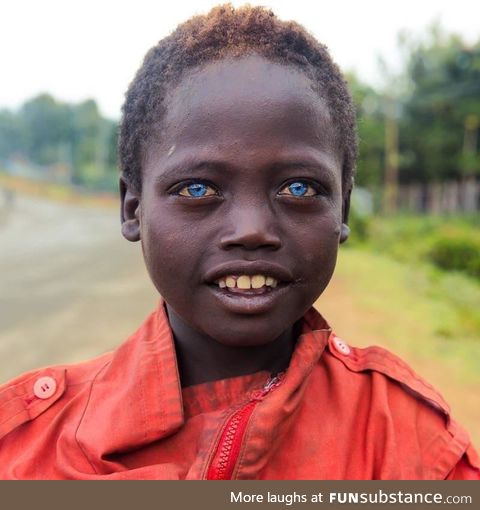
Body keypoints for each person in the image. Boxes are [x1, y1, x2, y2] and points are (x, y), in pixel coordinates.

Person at [0, 4, 478, 480]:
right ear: (133, 208)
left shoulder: (410, 447)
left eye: (298, 188)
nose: (252, 229)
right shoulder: (26, 450)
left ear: (343, 211)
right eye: (197, 189)